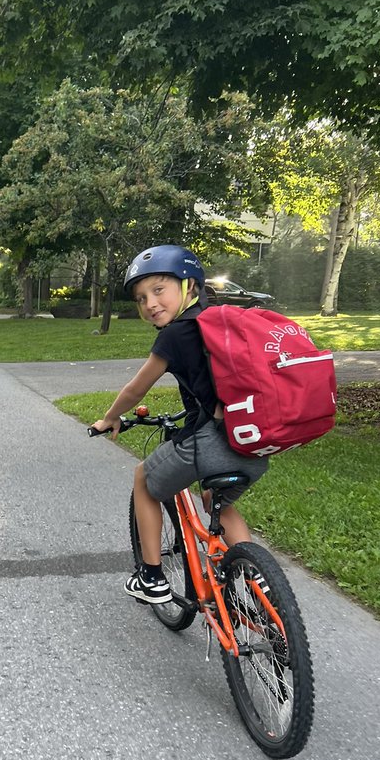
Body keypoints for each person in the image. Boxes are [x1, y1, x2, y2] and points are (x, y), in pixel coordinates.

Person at [91, 245, 269, 605]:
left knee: (144, 480)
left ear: (190, 285)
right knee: (214, 500)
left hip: (211, 443)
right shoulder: (219, 322)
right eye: (141, 298)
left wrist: (109, 418)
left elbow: (136, 388)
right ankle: (262, 584)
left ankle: (152, 577)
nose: (150, 303)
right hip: (254, 442)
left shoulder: (176, 334)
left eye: (159, 290)